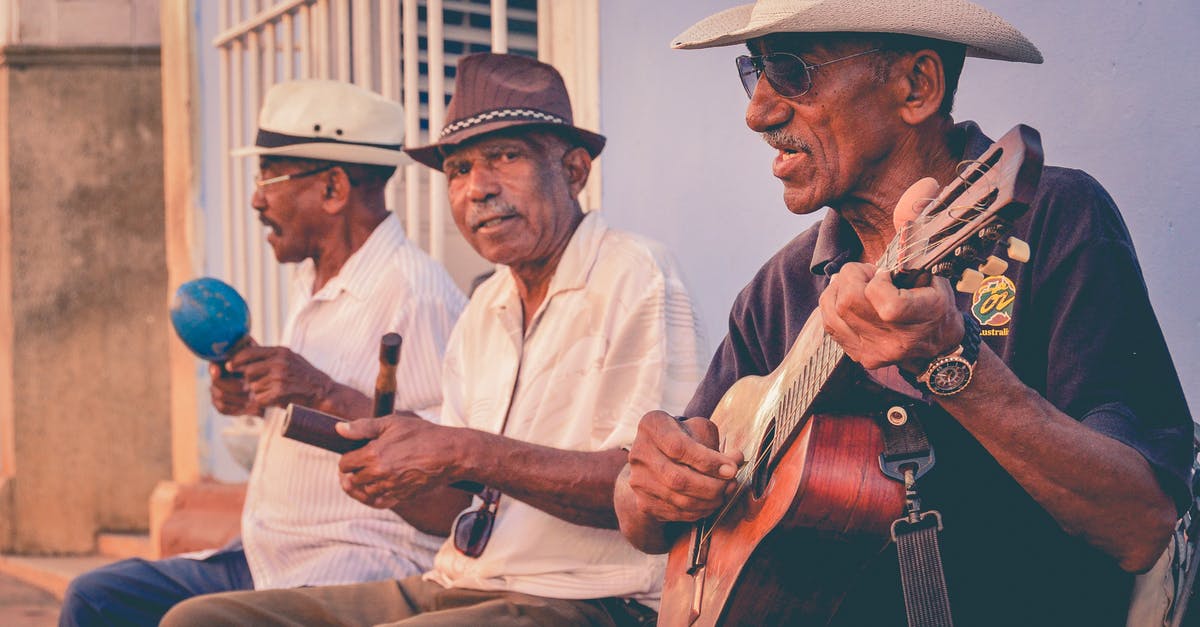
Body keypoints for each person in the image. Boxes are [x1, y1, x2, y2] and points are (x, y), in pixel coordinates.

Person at [613, 1, 1193, 626]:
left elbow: (1142, 524)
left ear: (917, 86)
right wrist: (648, 485)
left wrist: (951, 363)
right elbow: (645, 521)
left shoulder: (1056, 217)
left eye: (792, 71)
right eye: (755, 72)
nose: (758, 113)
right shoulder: (777, 288)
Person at [159, 52, 708, 627]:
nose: (477, 188)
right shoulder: (484, 308)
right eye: (459, 169)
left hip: (584, 598)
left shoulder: (636, 274)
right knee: (200, 621)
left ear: (573, 171)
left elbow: (648, 489)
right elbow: (453, 507)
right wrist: (394, 479)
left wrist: (464, 449)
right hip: (456, 580)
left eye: (505, 157)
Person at [60, 79, 466, 626]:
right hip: (265, 553)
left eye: (269, 176)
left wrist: (318, 390)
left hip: (355, 561)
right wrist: (259, 395)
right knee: (97, 598)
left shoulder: (416, 295)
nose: (256, 198)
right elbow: (316, 401)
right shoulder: (313, 279)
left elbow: (450, 483)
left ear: (334, 189)